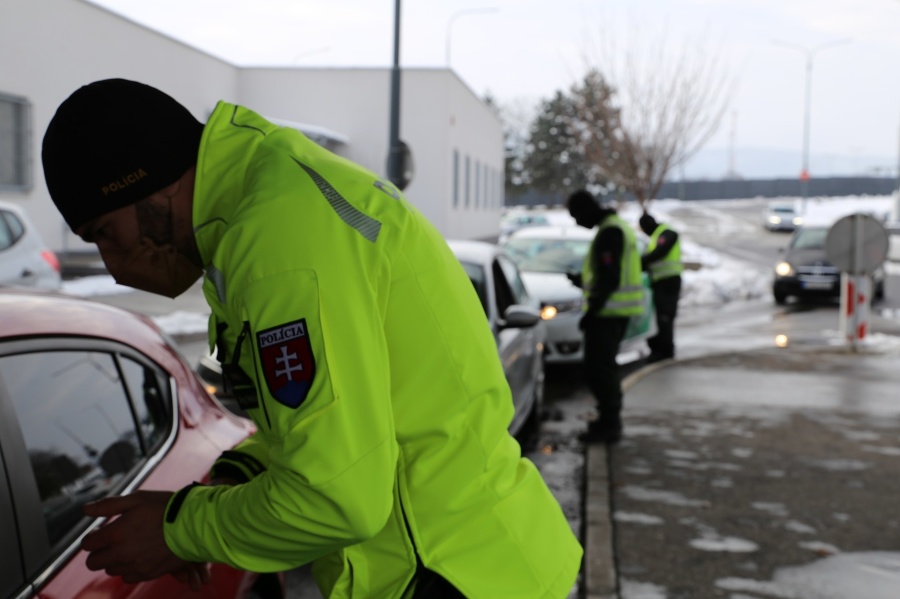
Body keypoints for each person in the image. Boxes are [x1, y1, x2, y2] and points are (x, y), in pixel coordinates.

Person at [41, 79, 582, 598]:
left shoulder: (277, 240)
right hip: (477, 563)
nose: (112, 268)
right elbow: (316, 427)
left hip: (446, 576)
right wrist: (222, 488)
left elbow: (337, 498)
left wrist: (179, 531)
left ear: (149, 185)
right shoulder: (266, 200)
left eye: (106, 234)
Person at [566, 190, 644, 444]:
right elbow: (608, 274)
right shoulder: (613, 227)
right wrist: (583, 281)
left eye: (576, 216)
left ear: (587, 209)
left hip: (609, 315)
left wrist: (593, 311)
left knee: (600, 371)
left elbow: (610, 278)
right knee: (602, 369)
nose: (577, 222)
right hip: (612, 313)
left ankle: (609, 426)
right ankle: (607, 421)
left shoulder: (610, 232)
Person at [638, 211, 683, 363]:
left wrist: (640, 261)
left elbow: (659, 253)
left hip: (669, 282)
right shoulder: (656, 237)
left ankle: (666, 352)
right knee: (660, 317)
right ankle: (660, 350)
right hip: (660, 282)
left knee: (665, 317)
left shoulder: (666, 233)